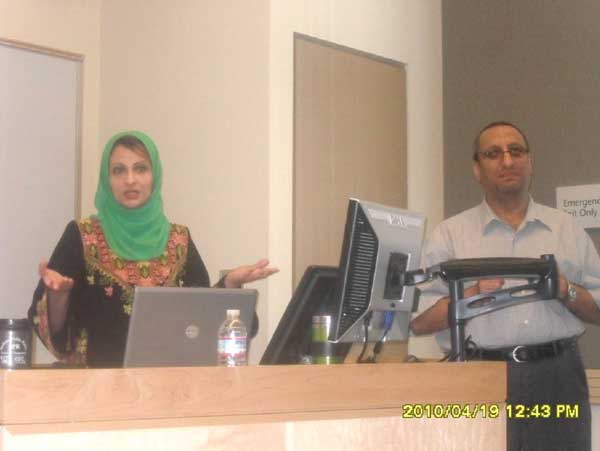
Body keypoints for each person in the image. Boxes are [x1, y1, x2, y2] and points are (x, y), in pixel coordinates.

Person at [410, 121, 600, 451]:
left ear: (530, 162)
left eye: (516, 151)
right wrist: (470, 294)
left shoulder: (566, 229)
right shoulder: (449, 235)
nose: (507, 161)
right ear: (477, 169)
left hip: (557, 379)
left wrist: (566, 291)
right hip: (478, 376)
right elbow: (418, 321)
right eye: (493, 154)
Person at [29, 131, 277, 368]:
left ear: (155, 176)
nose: (130, 180)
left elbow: (201, 317)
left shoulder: (179, 240)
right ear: (107, 179)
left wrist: (230, 284)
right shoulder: (81, 236)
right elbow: (58, 337)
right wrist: (58, 297)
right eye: (118, 170)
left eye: (140, 169)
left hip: (169, 387)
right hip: (97, 388)